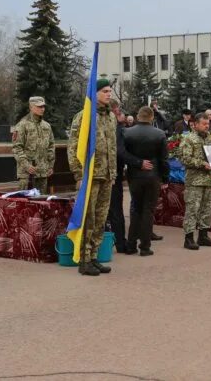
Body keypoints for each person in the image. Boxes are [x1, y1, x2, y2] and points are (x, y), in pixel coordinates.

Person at [68, 79, 117, 276]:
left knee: (101, 217)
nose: (109, 94)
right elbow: (74, 147)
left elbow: (112, 147)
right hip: (91, 175)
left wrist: (113, 172)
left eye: (110, 91)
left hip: (106, 174)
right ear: (94, 93)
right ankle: (84, 258)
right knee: (88, 217)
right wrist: (79, 174)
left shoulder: (111, 117)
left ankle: (94, 255)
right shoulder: (85, 116)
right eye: (105, 91)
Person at [124, 106, 169, 256]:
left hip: (134, 175)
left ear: (138, 116)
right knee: (148, 210)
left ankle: (130, 244)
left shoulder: (127, 132)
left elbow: (122, 154)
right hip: (153, 176)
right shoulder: (160, 134)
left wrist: (136, 163)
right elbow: (164, 160)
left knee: (135, 209)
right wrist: (165, 177)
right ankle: (145, 247)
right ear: (151, 118)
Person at [178, 112, 211, 250]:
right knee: (192, 209)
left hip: (208, 180)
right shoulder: (188, 139)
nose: (206, 126)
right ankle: (189, 238)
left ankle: (203, 236)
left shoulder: (210, 139)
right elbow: (185, 159)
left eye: (208, 124)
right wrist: (202, 164)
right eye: (203, 124)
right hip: (194, 181)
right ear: (195, 124)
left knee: (208, 209)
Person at [108, 99, 142, 254]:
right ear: (114, 111)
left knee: (104, 210)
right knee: (115, 210)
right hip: (112, 173)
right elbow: (120, 152)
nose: (120, 113)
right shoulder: (117, 128)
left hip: (102, 172)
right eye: (118, 110)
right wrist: (138, 162)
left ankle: (103, 242)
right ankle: (121, 244)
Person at [12, 96, 55, 193]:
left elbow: (51, 146)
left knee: (40, 203)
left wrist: (50, 165)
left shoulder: (46, 126)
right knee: (24, 203)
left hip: (42, 171)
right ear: (31, 107)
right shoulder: (22, 125)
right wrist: (27, 165)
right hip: (27, 173)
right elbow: (16, 148)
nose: (42, 109)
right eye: (39, 107)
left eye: (43, 106)